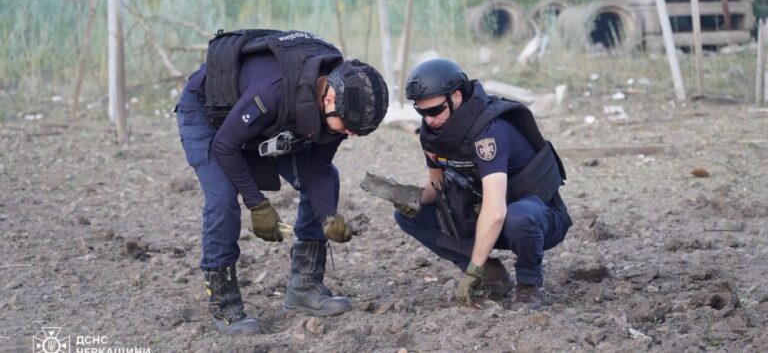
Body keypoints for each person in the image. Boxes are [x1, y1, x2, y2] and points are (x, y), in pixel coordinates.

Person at [175, 29, 388, 336]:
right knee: (222, 197)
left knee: (329, 179)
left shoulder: (337, 108)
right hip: (209, 114)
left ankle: (304, 288)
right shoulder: (273, 91)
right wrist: (257, 204)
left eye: (357, 131)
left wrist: (327, 216)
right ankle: (224, 304)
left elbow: (317, 167)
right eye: (349, 127)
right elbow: (225, 146)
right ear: (329, 97)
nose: (350, 134)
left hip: (262, 123)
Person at [393, 58, 571, 310]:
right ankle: (492, 275)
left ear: (456, 96)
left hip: (536, 219)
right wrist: (409, 196)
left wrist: (470, 273)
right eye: (421, 112)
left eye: (434, 111)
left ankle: (529, 286)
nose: (428, 119)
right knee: (407, 216)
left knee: (517, 216)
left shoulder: (489, 133)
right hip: (484, 215)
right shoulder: (434, 133)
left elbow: (496, 211)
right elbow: (437, 183)